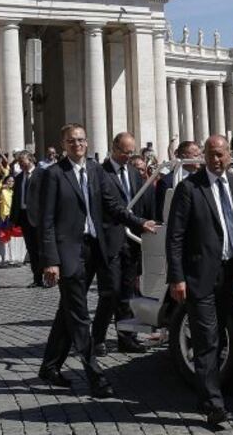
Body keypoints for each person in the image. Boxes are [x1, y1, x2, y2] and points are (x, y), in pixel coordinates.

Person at [38, 123, 157, 398]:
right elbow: (45, 222)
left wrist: (140, 222)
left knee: (67, 310)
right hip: (68, 253)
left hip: (95, 249)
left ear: (87, 143)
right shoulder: (54, 174)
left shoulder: (95, 171)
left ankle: (49, 366)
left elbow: (113, 206)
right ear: (64, 144)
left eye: (80, 140)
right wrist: (50, 261)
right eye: (71, 141)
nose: (76, 144)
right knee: (79, 316)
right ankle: (95, 375)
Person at [166, 136, 233, 427]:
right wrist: (176, 277)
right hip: (198, 276)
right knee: (206, 339)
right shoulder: (189, 187)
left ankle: (206, 394)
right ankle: (214, 404)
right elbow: (174, 236)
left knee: (218, 336)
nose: (217, 159)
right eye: (212, 155)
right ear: (204, 156)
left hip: (229, 274)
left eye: (221, 154)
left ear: (230, 154)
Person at [93, 132, 149, 355]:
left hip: (132, 240)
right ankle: (97, 338)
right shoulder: (100, 173)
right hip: (111, 239)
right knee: (110, 292)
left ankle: (127, 337)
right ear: (114, 148)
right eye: (125, 152)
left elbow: (141, 202)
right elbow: (108, 206)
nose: (128, 156)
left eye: (131, 152)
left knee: (128, 291)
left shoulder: (135, 174)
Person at [11, 151, 44, 287]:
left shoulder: (42, 175)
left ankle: (49, 276)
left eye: (22, 162)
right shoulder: (19, 178)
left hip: (39, 217)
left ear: (30, 160)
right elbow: (16, 198)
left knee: (42, 248)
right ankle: (37, 278)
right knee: (31, 249)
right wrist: (13, 217)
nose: (21, 165)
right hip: (24, 217)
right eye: (19, 162)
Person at [155, 141, 202, 221]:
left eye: (200, 155)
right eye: (196, 156)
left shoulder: (202, 179)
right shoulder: (167, 182)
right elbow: (163, 213)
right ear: (184, 157)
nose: (200, 159)